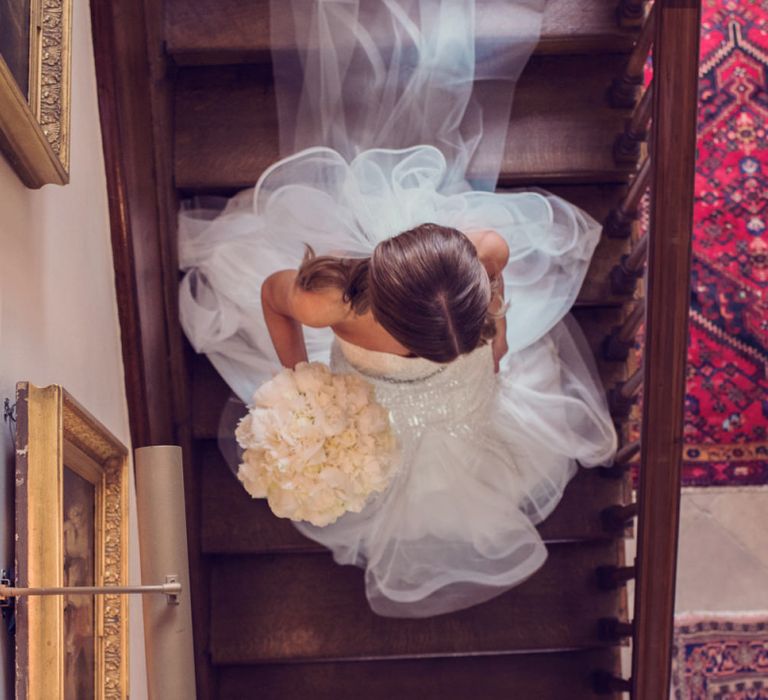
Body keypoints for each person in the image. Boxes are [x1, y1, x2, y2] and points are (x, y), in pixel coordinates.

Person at [179, 0, 617, 617]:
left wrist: (496, 340)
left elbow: (497, 288)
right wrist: (299, 379)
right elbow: (272, 301)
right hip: (373, 399)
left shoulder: (484, 248)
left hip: (466, 394)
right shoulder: (331, 299)